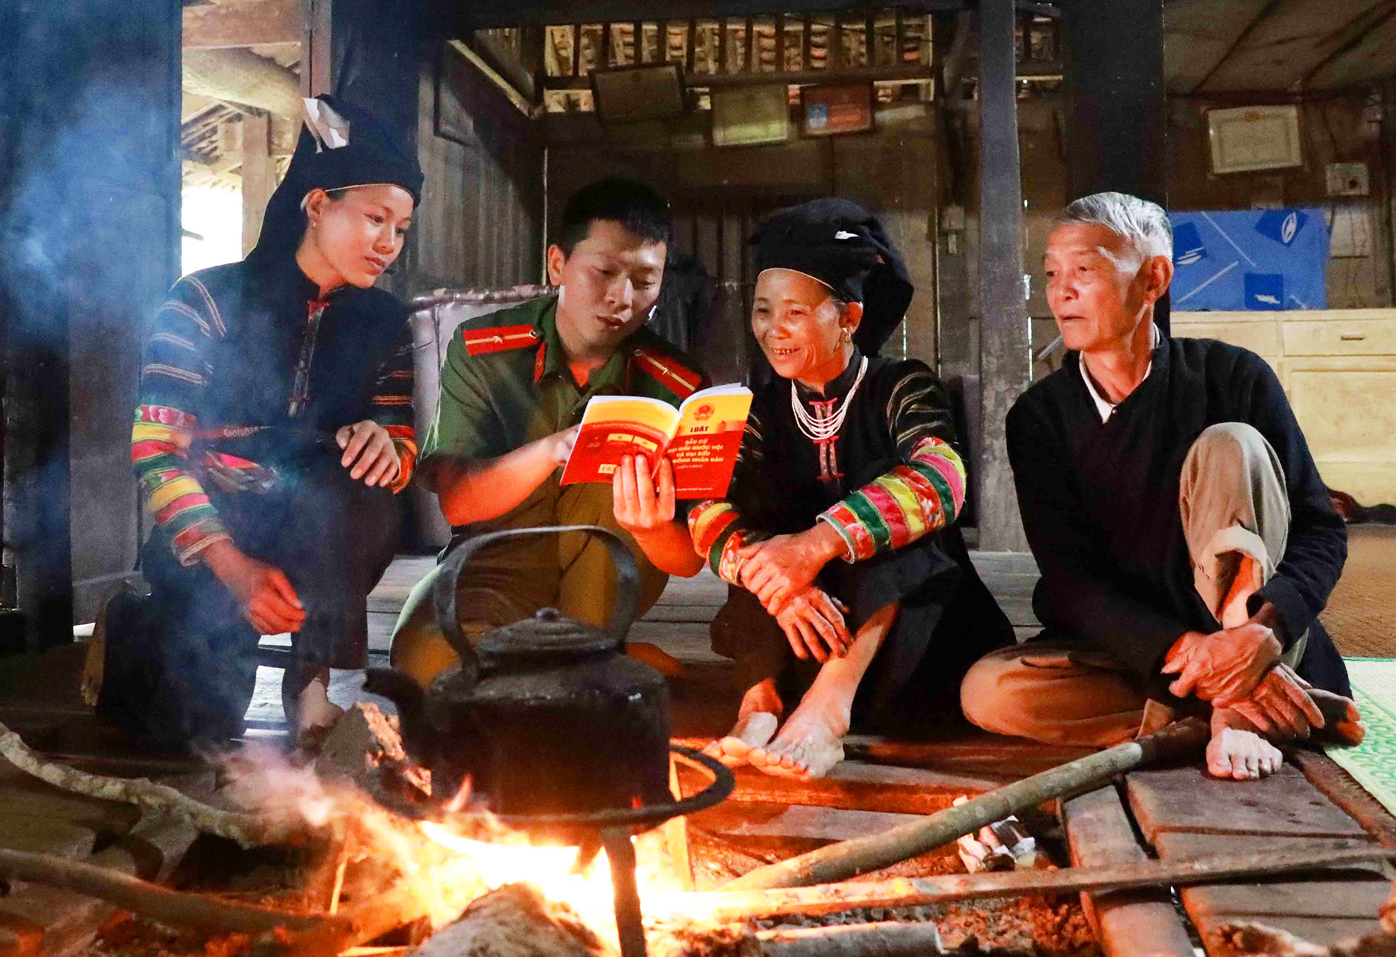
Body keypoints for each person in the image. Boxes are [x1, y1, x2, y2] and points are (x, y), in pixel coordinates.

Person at [960, 192, 1365, 781]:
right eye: (1051, 274)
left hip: (1261, 632)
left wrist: (1265, 631)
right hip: (1145, 649)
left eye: (1084, 270)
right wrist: (1189, 652)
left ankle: (1235, 709)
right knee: (989, 692)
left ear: (1154, 279)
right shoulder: (1039, 417)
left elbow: (1320, 531)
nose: (1060, 292)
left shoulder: (1233, 376)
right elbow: (1071, 579)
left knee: (1231, 443)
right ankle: (1251, 702)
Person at [85, 95, 423, 751]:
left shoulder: (384, 323)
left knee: (358, 493)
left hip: (321, 533)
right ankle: (131, 623)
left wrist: (387, 443)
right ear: (317, 205)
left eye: (402, 228)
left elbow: (403, 439)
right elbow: (157, 451)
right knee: (187, 733)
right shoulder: (205, 301)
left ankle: (316, 689)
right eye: (375, 218)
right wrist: (235, 569)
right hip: (218, 530)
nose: (389, 244)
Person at [691, 199, 1014, 780]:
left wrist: (815, 545)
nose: (773, 329)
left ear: (849, 318)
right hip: (799, 636)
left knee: (902, 500)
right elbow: (706, 508)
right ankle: (761, 702)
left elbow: (943, 478)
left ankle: (828, 710)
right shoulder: (755, 409)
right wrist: (782, 583)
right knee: (752, 524)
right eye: (763, 311)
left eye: (794, 312)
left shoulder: (901, 385)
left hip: (911, 653)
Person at [389, 177, 707, 684]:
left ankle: (582, 649)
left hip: (605, 572)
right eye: (604, 272)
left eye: (645, 281)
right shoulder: (483, 349)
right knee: (427, 662)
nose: (622, 298)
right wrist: (553, 449)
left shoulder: (678, 386)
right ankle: (596, 659)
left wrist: (650, 527)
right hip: (495, 563)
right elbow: (459, 505)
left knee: (619, 469)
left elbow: (687, 560)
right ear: (557, 264)